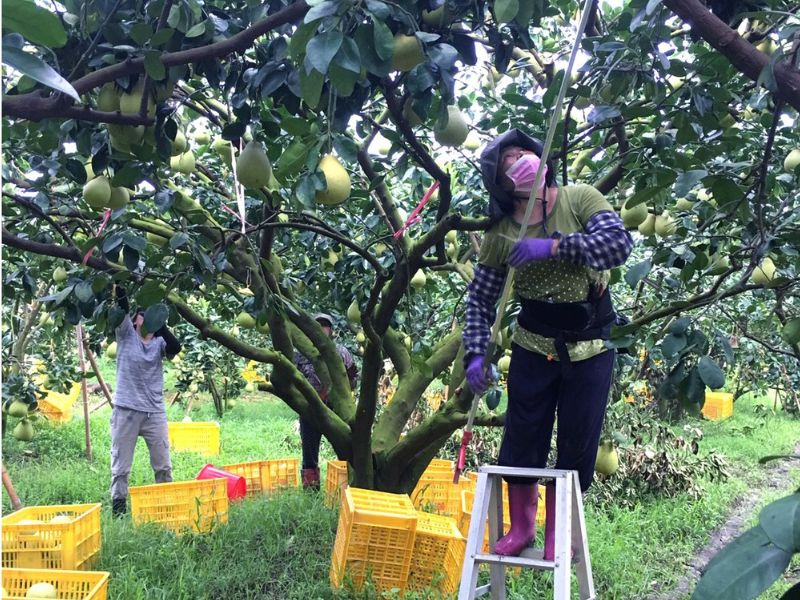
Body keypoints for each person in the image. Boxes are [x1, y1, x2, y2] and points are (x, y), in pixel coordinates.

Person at [462, 129, 634, 557]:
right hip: (533, 344)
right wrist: (477, 351)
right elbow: (482, 300)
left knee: (577, 442)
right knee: (521, 439)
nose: (520, 162)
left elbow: (617, 246)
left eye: (523, 153)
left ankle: (560, 529)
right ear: (501, 185)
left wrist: (553, 248)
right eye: (507, 163)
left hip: (590, 344)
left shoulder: (580, 198)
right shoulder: (502, 232)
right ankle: (523, 528)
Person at [110, 287, 182, 516]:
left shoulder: (160, 343)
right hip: (126, 410)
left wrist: (158, 323)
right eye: (142, 315)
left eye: (149, 315)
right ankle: (119, 509)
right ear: (135, 320)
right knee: (121, 466)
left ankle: (166, 506)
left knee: (163, 465)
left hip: (154, 412)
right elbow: (121, 305)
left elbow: (176, 347)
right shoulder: (125, 334)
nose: (144, 318)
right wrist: (120, 281)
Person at [295, 313, 358, 489]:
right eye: (318, 325)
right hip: (310, 410)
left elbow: (353, 378)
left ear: (331, 330)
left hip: (335, 409)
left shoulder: (341, 352)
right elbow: (293, 378)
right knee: (309, 453)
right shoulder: (301, 354)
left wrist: (339, 392)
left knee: (344, 449)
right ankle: (310, 491)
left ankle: (348, 487)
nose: (322, 328)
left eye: (325, 325)